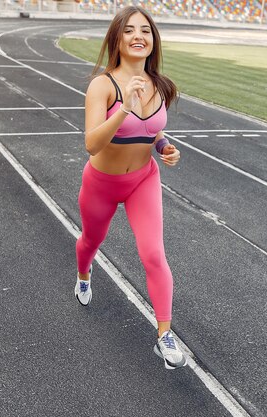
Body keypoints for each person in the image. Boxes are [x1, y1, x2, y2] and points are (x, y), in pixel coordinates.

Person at [74, 6, 186, 370]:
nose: (139, 36)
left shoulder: (163, 85)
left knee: (153, 254)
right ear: (117, 39)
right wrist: (124, 108)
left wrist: (164, 148)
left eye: (146, 31)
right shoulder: (103, 85)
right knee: (91, 242)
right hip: (102, 183)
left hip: (143, 180)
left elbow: (153, 130)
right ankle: (84, 275)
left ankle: (165, 335)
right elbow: (92, 143)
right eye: (130, 31)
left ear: (153, 41)